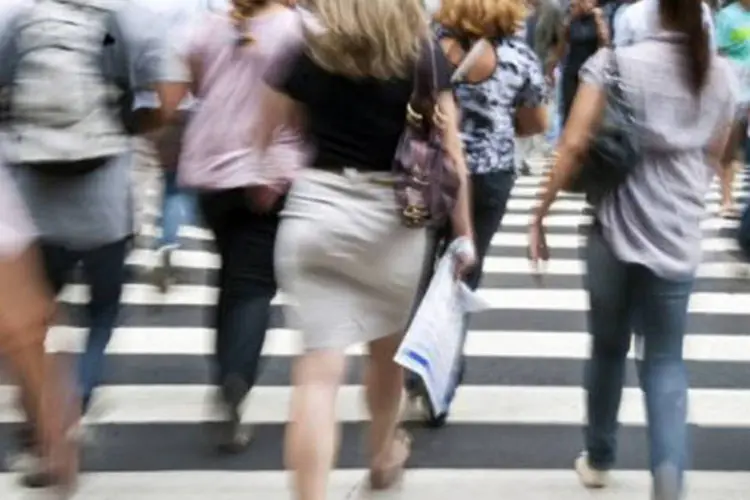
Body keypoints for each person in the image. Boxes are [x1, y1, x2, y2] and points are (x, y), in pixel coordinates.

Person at [256, 0, 474, 498]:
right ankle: (381, 458)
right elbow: (451, 154)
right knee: (386, 357)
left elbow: (267, 131)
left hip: (316, 213)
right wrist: (463, 234)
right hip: (393, 223)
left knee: (316, 374)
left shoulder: (307, 50)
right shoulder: (422, 54)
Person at [529, 0, 737, 498]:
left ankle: (599, 458)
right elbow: (718, 152)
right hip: (678, 234)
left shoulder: (614, 64)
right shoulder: (722, 74)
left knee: (606, 347)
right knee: (665, 360)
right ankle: (668, 479)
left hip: (613, 232)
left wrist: (541, 214)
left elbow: (574, 144)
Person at [0, 0, 183, 484]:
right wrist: (129, 126)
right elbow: (167, 98)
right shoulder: (132, 17)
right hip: (105, 200)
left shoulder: (15, 15)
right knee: (101, 313)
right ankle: (74, 404)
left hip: (29, 196)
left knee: (27, 327)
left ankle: (40, 431)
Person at [162, 0, 306, 453]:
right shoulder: (297, 29)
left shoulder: (209, 27)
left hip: (209, 170)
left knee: (229, 277)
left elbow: (194, 87)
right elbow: (301, 103)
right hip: (267, 171)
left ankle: (226, 373)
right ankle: (235, 380)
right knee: (254, 285)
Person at [406, 0, 547, 427]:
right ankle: (440, 378)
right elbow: (536, 121)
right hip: (489, 177)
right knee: (464, 272)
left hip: (431, 171)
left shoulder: (426, 48)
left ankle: (411, 366)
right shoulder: (518, 57)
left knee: (419, 270)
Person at [715, 0, 750, 218]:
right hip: (736, 89)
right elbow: (718, 54)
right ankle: (726, 200)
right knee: (730, 147)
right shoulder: (727, 17)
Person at [556, 0, 610, 125]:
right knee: (568, 114)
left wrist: (598, 19)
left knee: (588, 117)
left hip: (592, 74)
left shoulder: (600, 16)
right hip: (572, 71)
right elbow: (562, 44)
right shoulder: (573, 16)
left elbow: (605, 43)